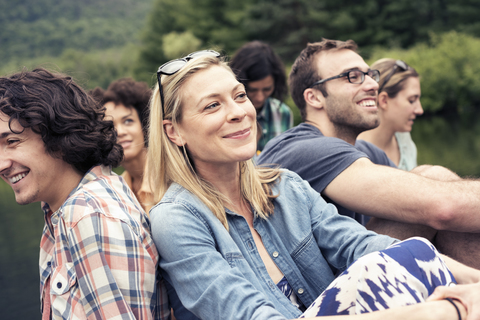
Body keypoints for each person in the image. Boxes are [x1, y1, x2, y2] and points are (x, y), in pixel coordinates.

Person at [146, 50, 480, 320]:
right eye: (213, 105)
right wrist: (442, 310)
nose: (238, 112)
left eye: (239, 96)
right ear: (174, 131)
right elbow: (250, 314)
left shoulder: (285, 187)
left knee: (406, 250)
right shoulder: (177, 219)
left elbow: (361, 245)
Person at [257, 39, 480, 269]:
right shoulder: (299, 148)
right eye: (352, 76)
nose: (373, 84)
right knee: (436, 179)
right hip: (320, 296)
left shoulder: (367, 152)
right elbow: (443, 207)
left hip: (359, 274)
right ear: (314, 97)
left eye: (370, 74)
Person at [0, 68, 169, 319]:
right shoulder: (71, 209)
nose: (2, 164)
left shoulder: (87, 214)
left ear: (57, 135)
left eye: (12, 141)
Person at [358, 59, 423, 170]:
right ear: (384, 101)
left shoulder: (404, 139)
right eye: (412, 100)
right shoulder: (357, 155)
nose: (420, 110)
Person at [229, 41, 293, 152]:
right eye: (252, 90)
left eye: (267, 89)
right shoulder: (229, 116)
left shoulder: (282, 113)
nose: (260, 97)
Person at [102, 78, 154, 214]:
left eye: (128, 121)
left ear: (144, 125)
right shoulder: (116, 190)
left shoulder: (171, 175)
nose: (119, 132)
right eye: (110, 126)